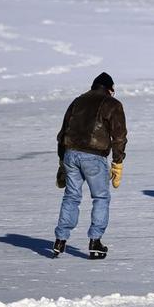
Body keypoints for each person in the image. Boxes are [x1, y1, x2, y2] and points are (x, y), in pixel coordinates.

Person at [54, 72, 126, 260]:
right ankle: (95, 241)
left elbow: (63, 133)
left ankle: (60, 240)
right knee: (101, 198)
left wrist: (62, 162)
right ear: (110, 89)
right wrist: (117, 163)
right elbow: (119, 137)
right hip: (94, 157)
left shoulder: (77, 101)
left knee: (71, 196)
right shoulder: (112, 104)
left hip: (70, 154)